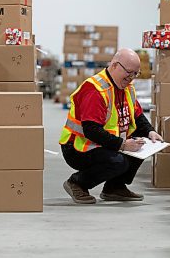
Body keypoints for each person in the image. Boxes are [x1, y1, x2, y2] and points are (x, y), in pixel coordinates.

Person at [59, 48, 163, 204]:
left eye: (136, 73)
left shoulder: (126, 87)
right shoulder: (95, 90)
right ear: (114, 65)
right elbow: (91, 130)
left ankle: (114, 188)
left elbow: (137, 115)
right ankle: (77, 183)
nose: (132, 78)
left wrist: (150, 132)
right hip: (77, 147)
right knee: (118, 161)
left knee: (142, 146)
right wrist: (122, 145)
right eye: (129, 72)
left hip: (101, 143)